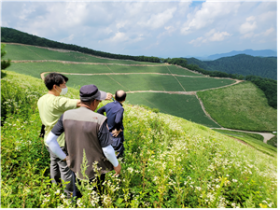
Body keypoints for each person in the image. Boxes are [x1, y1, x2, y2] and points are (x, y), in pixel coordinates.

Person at [37, 73, 112, 196]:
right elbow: (82, 102)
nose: (65, 87)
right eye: (64, 85)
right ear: (55, 86)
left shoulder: (42, 99)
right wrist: (102, 97)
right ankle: (70, 196)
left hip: (48, 138)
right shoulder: (58, 101)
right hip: (61, 141)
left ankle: (55, 187)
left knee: (53, 164)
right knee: (66, 169)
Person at [97, 90, 126, 158]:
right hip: (115, 134)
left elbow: (99, 111)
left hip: (107, 133)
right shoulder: (120, 109)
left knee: (107, 152)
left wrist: (105, 122)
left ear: (115, 97)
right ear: (124, 99)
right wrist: (118, 129)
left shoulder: (109, 105)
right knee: (117, 155)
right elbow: (117, 121)